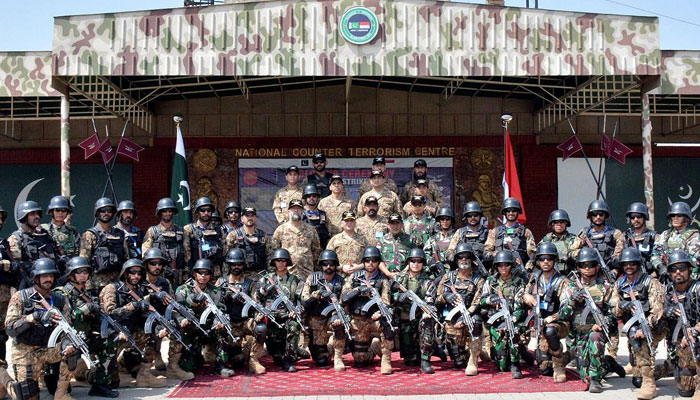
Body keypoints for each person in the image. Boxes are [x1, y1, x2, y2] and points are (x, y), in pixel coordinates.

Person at [5, 258, 75, 400]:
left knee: (74, 349)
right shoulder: (21, 297)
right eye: (44, 276)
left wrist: (68, 345)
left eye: (51, 275)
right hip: (25, 351)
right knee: (27, 395)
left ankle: (61, 394)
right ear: (35, 277)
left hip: (48, 350)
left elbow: (67, 329)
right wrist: (34, 317)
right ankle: (5, 380)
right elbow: (10, 328)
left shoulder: (60, 299)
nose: (48, 279)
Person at [558, 247, 623, 393]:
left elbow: (615, 313)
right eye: (583, 265)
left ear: (597, 267)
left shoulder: (606, 287)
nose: (587, 268)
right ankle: (608, 364)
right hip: (577, 336)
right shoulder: (571, 287)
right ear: (578, 267)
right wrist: (572, 301)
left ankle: (596, 380)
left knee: (595, 338)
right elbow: (562, 315)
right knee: (583, 371)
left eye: (590, 265)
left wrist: (602, 323)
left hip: (596, 334)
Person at [54, 257, 119, 397]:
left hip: (85, 336)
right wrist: (88, 308)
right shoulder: (62, 293)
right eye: (79, 272)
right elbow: (67, 319)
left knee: (109, 343)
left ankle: (100, 384)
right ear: (71, 274)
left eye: (85, 272)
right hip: (66, 339)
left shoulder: (86, 293)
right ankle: (61, 388)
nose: (83, 275)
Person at [99, 259, 167, 388]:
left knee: (154, 335)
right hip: (112, 334)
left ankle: (144, 374)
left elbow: (143, 317)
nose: (136, 276)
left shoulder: (138, 291)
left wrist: (158, 327)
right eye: (132, 272)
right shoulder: (112, 289)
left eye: (140, 273)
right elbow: (110, 314)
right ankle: (87, 373)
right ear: (125, 273)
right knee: (110, 382)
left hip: (130, 332)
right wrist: (134, 305)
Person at [611, 247, 665, 400]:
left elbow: (658, 310)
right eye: (626, 264)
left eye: (632, 263)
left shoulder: (650, 282)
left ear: (638, 264)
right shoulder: (619, 283)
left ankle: (650, 384)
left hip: (653, 327)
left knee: (639, 340)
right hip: (632, 327)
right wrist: (622, 305)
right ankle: (657, 372)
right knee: (636, 381)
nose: (629, 266)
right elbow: (614, 310)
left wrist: (645, 326)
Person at [140, 248, 194, 381]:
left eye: (160, 264)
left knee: (178, 327)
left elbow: (171, 304)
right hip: (142, 319)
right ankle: (145, 371)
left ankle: (173, 367)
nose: (157, 267)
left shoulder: (164, 283)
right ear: (146, 264)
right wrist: (151, 295)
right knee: (154, 331)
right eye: (153, 263)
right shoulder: (139, 281)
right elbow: (136, 304)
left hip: (161, 317)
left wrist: (180, 318)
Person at [175, 259, 235, 377]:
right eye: (200, 272)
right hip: (191, 330)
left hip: (209, 328)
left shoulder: (215, 291)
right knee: (189, 367)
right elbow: (175, 310)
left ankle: (221, 365)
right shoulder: (183, 289)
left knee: (223, 330)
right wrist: (181, 319)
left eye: (207, 273)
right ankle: (195, 358)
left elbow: (221, 309)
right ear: (194, 274)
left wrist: (218, 322)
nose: (203, 276)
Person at [521, 243, 571, 382]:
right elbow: (524, 292)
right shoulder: (535, 278)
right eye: (542, 259)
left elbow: (568, 308)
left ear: (555, 260)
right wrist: (526, 296)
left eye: (549, 258)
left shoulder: (562, 281)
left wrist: (553, 318)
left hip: (559, 323)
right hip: (541, 322)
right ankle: (569, 355)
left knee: (550, 332)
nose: (546, 262)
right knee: (544, 368)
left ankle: (559, 365)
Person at [340, 246, 395, 374]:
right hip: (358, 320)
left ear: (378, 262)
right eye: (368, 260)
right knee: (360, 361)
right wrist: (358, 290)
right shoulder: (354, 278)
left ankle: (386, 359)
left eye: (374, 260)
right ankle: (374, 348)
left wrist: (380, 312)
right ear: (363, 262)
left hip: (374, 320)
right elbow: (343, 298)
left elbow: (386, 301)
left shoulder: (382, 280)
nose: (371, 263)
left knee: (388, 325)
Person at [437, 243, 486, 375]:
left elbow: (478, 301)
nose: (464, 260)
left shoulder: (478, 279)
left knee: (476, 323)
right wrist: (447, 296)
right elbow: (437, 297)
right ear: (456, 259)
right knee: (458, 361)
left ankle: (473, 359)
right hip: (452, 317)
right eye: (461, 257)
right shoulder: (449, 277)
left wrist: (466, 316)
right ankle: (467, 354)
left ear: (471, 259)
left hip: (470, 315)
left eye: (466, 257)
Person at [215, 249, 266, 374]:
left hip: (244, 322)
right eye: (233, 264)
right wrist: (226, 297)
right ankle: (221, 364)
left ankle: (253, 360)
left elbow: (255, 302)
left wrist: (258, 314)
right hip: (228, 323)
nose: (236, 267)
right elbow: (215, 304)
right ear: (229, 265)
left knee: (261, 328)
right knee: (237, 361)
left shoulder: (250, 283)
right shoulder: (221, 282)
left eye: (239, 264)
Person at [480, 251, 528, 379]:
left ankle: (516, 363)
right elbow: (482, 300)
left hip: (514, 319)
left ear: (511, 266)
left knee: (514, 335)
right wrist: (491, 299)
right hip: (497, 321)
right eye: (500, 265)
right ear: (496, 266)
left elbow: (520, 305)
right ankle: (509, 356)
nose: (503, 268)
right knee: (501, 365)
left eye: (506, 265)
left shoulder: (518, 282)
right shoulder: (491, 282)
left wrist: (512, 319)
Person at [254, 249, 303, 372]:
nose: (280, 263)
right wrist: (258, 313)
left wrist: (296, 311)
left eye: (283, 261)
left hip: (287, 317)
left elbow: (301, 300)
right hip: (270, 318)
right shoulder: (265, 279)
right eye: (278, 261)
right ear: (273, 262)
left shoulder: (296, 280)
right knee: (276, 358)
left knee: (294, 326)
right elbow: (256, 299)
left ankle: (289, 358)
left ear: (287, 262)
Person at [393, 248, 438, 373]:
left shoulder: (428, 281)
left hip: (420, 317)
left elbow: (430, 300)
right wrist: (399, 297)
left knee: (428, 322)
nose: (416, 264)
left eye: (419, 261)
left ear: (423, 263)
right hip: (404, 318)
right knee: (410, 361)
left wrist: (426, 311)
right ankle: (433, 349)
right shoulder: (400, 279)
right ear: (408, 262)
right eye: (413, 261)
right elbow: (390, 293)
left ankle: (426, 359)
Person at [300, 250, 347, 370]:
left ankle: (338, 357)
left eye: (331, 264)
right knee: (320, 360)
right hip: (317, 320)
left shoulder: (341, 281)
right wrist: (317, 295)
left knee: (339, 326)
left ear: (335, 265)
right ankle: (330, 346)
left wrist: (337, 314)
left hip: (333, 315)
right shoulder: (313, 278)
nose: (328, 267)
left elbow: (344, 303)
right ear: (321, 265)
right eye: (325, 264)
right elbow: (304, 300)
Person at [662, 250, 700, 398]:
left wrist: (695, 331)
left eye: (682, 268)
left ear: (690, 268)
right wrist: (666, 312)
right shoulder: (667, 290)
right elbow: (655, 315)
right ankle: (665, 369)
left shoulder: (697, 288)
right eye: (673, 269)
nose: (678, 272)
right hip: (678, 341)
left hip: (695, 338)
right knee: (685, 390)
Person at [8, 200, 62, 290]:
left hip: (50, 284)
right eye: (32, 214)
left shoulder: (46, 236)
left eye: (37, 214)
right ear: (24, 217)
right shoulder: (16, 239)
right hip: (28, 287)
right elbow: (16, 268)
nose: (37, 217)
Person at [79, 198, 129, 293]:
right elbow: (84, 262)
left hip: (117, 284)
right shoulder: (90, 234)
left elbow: (126, 258)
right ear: (97, 213)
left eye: (109, 211)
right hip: (97, 285)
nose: (106, 213)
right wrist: (87, 286)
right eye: (103, 211)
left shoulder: (119, 234)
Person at [270, 199, 321, 282]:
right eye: (293, 208)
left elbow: (317, 251)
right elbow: (273, 252)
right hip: (287, 274)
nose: (296, 211)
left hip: (307, 274)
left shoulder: (311, 230)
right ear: (289, 211)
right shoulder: (281, 230)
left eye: (299, 208)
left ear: (303, 211)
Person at [142, 198, 186, 286]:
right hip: (158, 272)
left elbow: (187, 255)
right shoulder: (153, 231)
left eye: (170, 211)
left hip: (178, 274)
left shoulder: (181, 231)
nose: (167, 214)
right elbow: (145, 254)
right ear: (160, 213)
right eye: (165, 211)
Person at [484, 198, 536, 270]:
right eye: (508, 211)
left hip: (519, 271)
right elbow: (486, 253)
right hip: (500, 271)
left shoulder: (526, 232)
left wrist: (527, 268)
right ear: (505, 212)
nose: (511, 213)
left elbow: (532, 254)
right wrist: (496, 254)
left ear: (518, 212)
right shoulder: (495, 231)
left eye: (514, 210)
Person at [652, 202, 700, 279]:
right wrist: (660, 266)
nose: (675, 218)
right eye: (673, 216)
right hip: (667, 276)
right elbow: (655, 254)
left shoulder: (694, 237)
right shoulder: (665, 235)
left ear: (687, 218)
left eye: (679, 216)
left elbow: (695, 261)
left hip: (686, 278)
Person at [578, 200, 624, 280]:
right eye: (595, 214)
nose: (598, 217)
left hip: (608, 273)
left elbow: (620, 254)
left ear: (605, 216)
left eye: (601, 214)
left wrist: (614, 270)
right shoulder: (584, 233)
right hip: (588, 273)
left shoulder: (616, 233)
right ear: (590, 216)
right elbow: (573, 251)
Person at [184, 197, 225, 278]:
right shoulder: (188, 229)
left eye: (208, 210)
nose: (206, 213)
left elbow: (224, 254)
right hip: (196, 272)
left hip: (214, 273)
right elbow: (186, 256)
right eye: (203, 210)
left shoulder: (219, 230)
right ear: (197, 212)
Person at [224, 207, 268, 277]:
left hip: (261, 275)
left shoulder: (263, 235)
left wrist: (270, 274)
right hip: (241, 276)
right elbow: (226, 257)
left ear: (255, 218)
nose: (250, 218)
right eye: (247, 216)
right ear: (242, 219)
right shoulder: (233, 235)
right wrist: (227, 276)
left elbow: (270, 255)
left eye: (252, 216)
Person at [538, 209, 582, 275]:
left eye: (561, 222)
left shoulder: (573, 239)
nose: (559, 224)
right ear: (552, 224)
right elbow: (537, 256)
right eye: (556, 222)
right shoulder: (547, 240)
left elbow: (577, 257)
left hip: (569, 274)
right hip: (550, 275)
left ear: (566, 223)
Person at [622, 203, 657, 277]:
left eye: (639, 216)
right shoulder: (625, 237)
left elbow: (658, 259)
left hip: (650, 276)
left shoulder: (654, 236)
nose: (635, 219)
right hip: (630, 276)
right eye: (632, 217)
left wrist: (651, 277)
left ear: (644, 217)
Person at [377, 213, 412, 277]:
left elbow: (414, 259)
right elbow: (378, 259)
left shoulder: (410, 240)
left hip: (405, 276)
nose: (395, 226)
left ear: (402, 224)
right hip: (385, 276)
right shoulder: (382, 240)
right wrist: (388, 273)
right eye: (392, 223)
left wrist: (402, 273)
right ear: (388, 225)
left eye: (397, 223)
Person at [301, 184, 330, 248]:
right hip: (306, 250)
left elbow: (329, 231)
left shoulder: (323, 214)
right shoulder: (300, 214)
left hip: (321, 249)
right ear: (305, 198)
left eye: (314, 196)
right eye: (309, 196)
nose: (311, 198)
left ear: (317, 198)